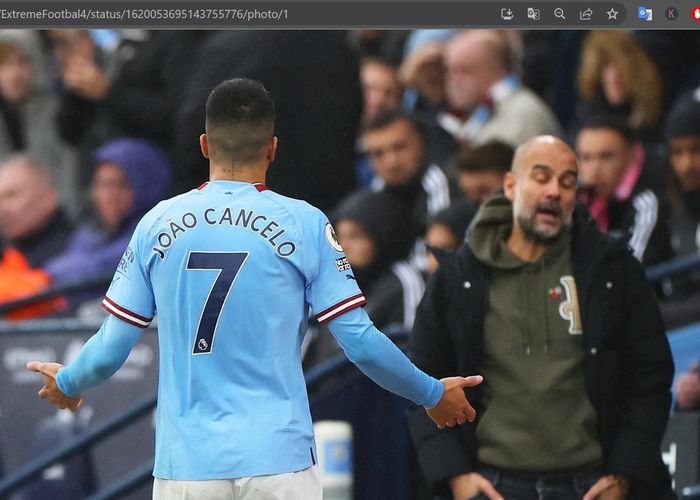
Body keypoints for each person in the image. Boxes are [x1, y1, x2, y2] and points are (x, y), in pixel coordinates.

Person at [27, 78, 481, 500]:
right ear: (273, 148)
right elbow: (359, 344)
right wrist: (432, 394)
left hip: (188, 464)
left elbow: (111, 347)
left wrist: (68, 381)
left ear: (205, 144)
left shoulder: (157, 223)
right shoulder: (305, 223)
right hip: (278, 459)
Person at [408, 135, 674, 500]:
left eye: (568, 182)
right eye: (541, 177)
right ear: (511, 186)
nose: (555, 191)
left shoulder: (613, 269)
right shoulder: (458, 277)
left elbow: (651, 375)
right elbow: (420, 381)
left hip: (593, 486)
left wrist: (625, 473)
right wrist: (455, 477)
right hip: (493, 487)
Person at [44, 137, 171, 309]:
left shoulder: (160, 231)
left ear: (147, 186)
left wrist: (44, 277)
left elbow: (107, 265)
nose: (109, 196)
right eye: (102, 185)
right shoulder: (91, 232)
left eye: (121, 185)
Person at [439, 30, 561, 149]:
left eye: (465, 70)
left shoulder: (523, 114)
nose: (454, 81)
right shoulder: (466, 113)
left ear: (498, 70)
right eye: (450, 71)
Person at [575, 116, 671, 266]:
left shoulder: (648, 201)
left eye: (606, 157)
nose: (595, 170)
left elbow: (633, 270)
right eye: (586, 158)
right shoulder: (578, 199)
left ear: (631, 157)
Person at [0, 155, 74, 268]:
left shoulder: (85, 251)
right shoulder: (7, 259)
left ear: (49, 196)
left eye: (12, 195)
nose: (3, 208)